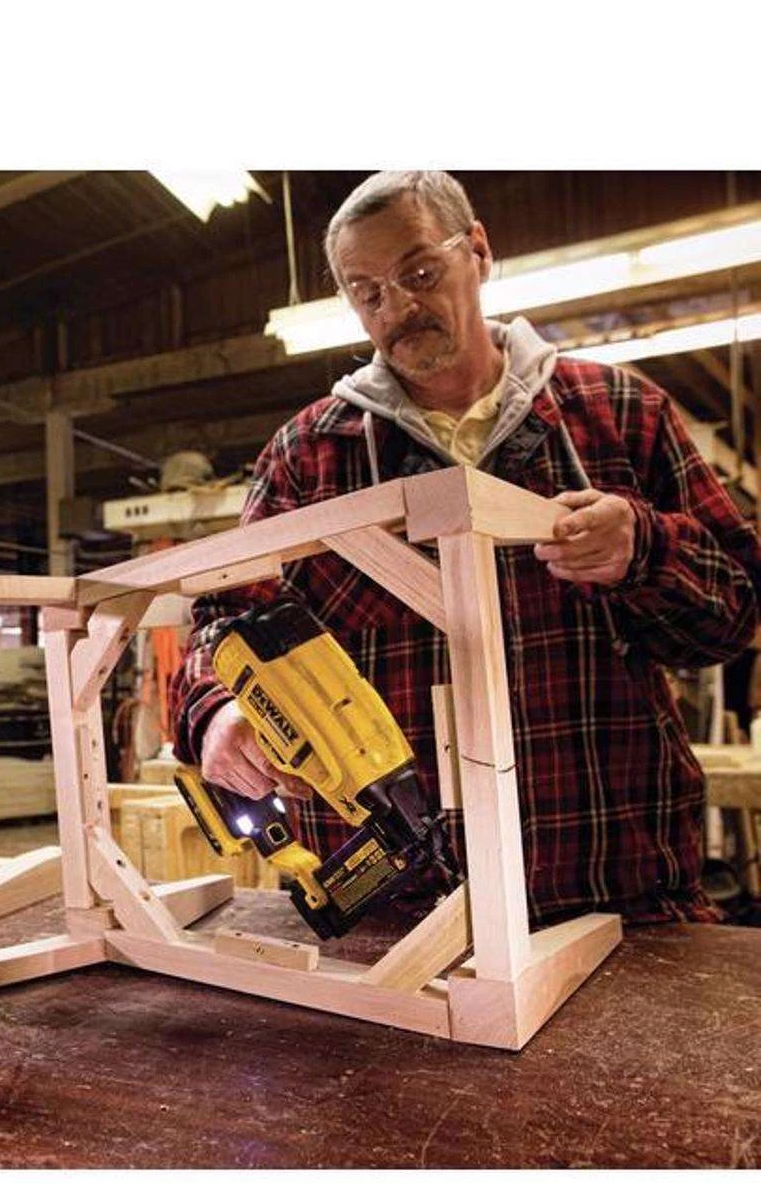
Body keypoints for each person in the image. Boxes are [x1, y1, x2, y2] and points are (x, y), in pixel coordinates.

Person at [169, 170, 761, 925]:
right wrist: (217, 710)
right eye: (367, 292)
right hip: (393, 910)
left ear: (477, 251)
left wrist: (645, 549)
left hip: (614, 891)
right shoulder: (309, 455)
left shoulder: (621, 415)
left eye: (419, 273)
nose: (397, 308)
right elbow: (223, 620)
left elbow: (737, 613)